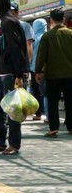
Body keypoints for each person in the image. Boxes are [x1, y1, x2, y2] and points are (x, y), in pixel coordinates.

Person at [0, 0, 29, 156]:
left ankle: (13, 144)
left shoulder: (8, 23)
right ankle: (0, 141)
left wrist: (19, 74)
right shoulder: (7, 21)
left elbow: (15, 48)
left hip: (11, 74)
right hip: (4, 73)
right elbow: (4, 47)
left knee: (13, 110)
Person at [35, 8, 72, 137]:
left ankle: (54, 128)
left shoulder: (47, 36)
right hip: (70, 75)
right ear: (64, 19)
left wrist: (38, 71)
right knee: (70, 101)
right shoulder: (70, 34)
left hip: (53, 75)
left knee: (52, 102)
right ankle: (71, 127)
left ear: (51, 20)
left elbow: (41, 56)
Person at [29, 19, 48, 120]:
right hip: (48, 69)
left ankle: (38, 113)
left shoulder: (34, 38)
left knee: (37, 91)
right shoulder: (48, 36)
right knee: (47, 91)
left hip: (35, 68)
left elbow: (31, 54)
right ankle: (47, 112)